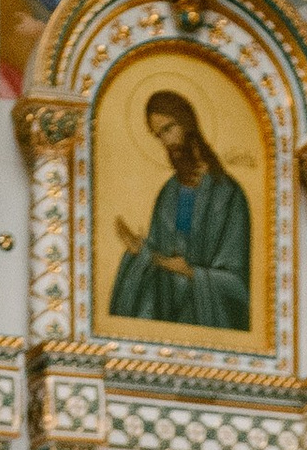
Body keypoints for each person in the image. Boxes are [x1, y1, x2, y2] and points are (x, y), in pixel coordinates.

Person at [108, 91, 252, 329]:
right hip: (168, 313)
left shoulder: (228, 195)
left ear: (187, 123)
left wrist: (192, 273)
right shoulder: (169, 192)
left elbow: (237, 282)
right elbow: (159, 260)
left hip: (206, 318)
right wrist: (139, 252)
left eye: (168, 129)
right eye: (158, 135)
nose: (165, 141)